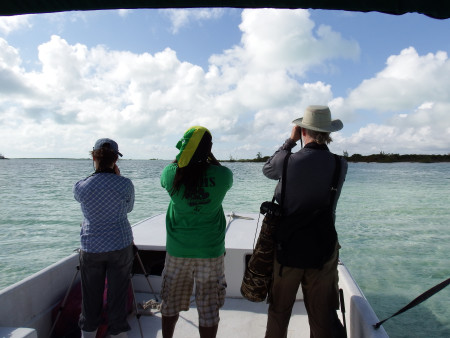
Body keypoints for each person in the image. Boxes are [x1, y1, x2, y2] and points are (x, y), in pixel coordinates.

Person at [263, 106, 348, 338]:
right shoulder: (341, 164)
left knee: (279, 311)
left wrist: (289, 142)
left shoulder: (288, 161)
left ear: (302, 130)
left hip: (288, 246)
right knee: (321, 316)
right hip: (324, 245)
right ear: (328, 132)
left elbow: (268, 170)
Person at [160, 126, 233, 338]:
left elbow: (177, 165)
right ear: (209, 149)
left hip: (178, 249)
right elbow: (219, 171)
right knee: (209, 308)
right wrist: (210, 157)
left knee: (170, 302)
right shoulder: (223, 175)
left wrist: (184, 157)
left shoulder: (170, 174)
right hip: (210, 250)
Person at [73, 138, 135, 338]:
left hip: (91, 246)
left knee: (90, 299)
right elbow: (128, 209)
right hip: (120, 244)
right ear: (116, 160)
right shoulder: (125, 184)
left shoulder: (81, 186)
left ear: (94, 157)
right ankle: (118, 331)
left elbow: (83, 200)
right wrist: (117, 178)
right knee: (117, 297)